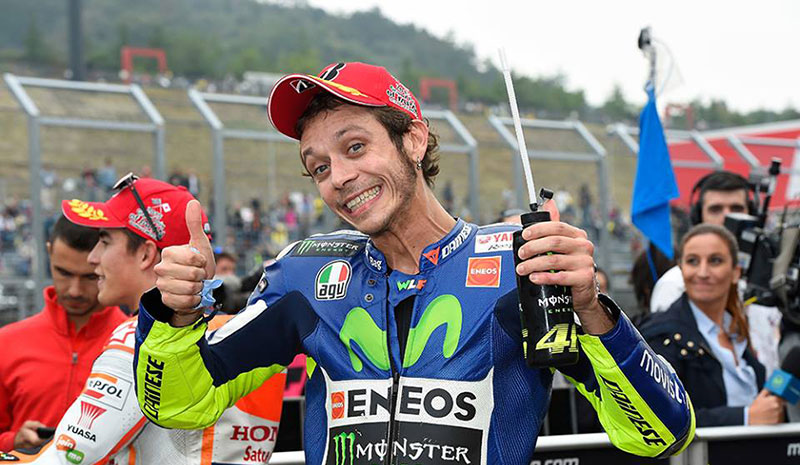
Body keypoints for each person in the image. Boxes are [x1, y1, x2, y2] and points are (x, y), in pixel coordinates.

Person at [133, 62, 694, 464]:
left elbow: (661, 434)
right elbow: (178, 404)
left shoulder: (523, 263)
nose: (339, 177)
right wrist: (174, 316)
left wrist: (592, 312)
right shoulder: (303, 275)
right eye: (318, 166)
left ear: (414, 141)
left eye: (355, 147)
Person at [0, 176, 285, 464]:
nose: (93, 258)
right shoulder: (245, 328)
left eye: (104, 241)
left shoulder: (140, 338)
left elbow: (67, 456)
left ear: (146, 254)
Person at [0, 217, 126, 452]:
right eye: (64, 273)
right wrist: (13, 442)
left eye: (90, 276)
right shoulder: (6, 343)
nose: (75, 290)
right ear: (49, 253)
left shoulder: (134, 344)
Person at [641, 224, 783, 427]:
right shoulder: (661, 334)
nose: (703, 272)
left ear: (736, 272)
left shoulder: (737, 328)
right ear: (681, 269)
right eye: (692, 261)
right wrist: (744, 417)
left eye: (715, 261)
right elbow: (658, 419)